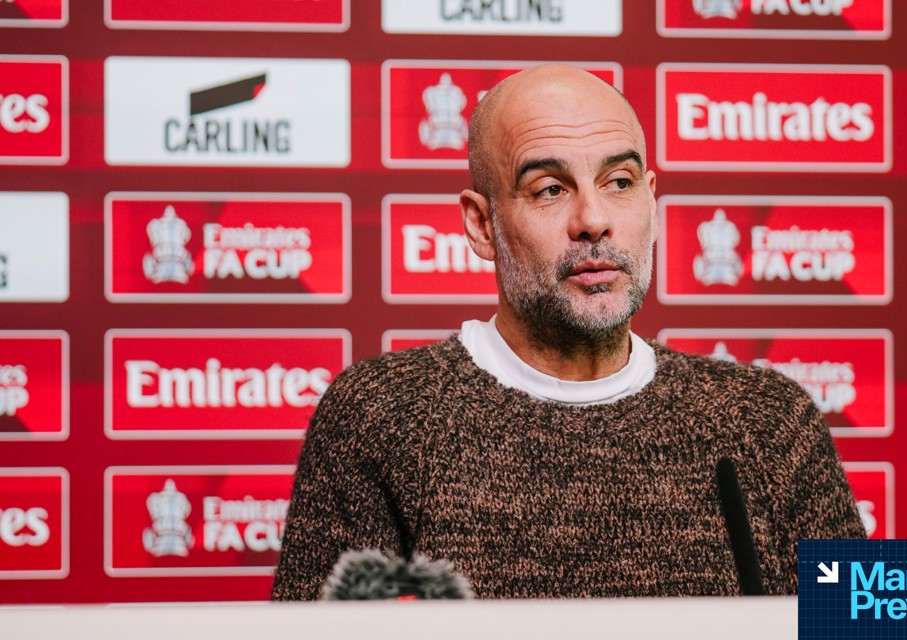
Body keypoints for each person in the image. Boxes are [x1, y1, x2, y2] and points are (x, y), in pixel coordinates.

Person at [272, 65, 864, 601]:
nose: (594, 220)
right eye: (551, 189)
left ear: (652, 203)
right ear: (481, 225)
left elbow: (866, 620)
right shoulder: (381, 416)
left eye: (620, 182)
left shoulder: (768, 419)